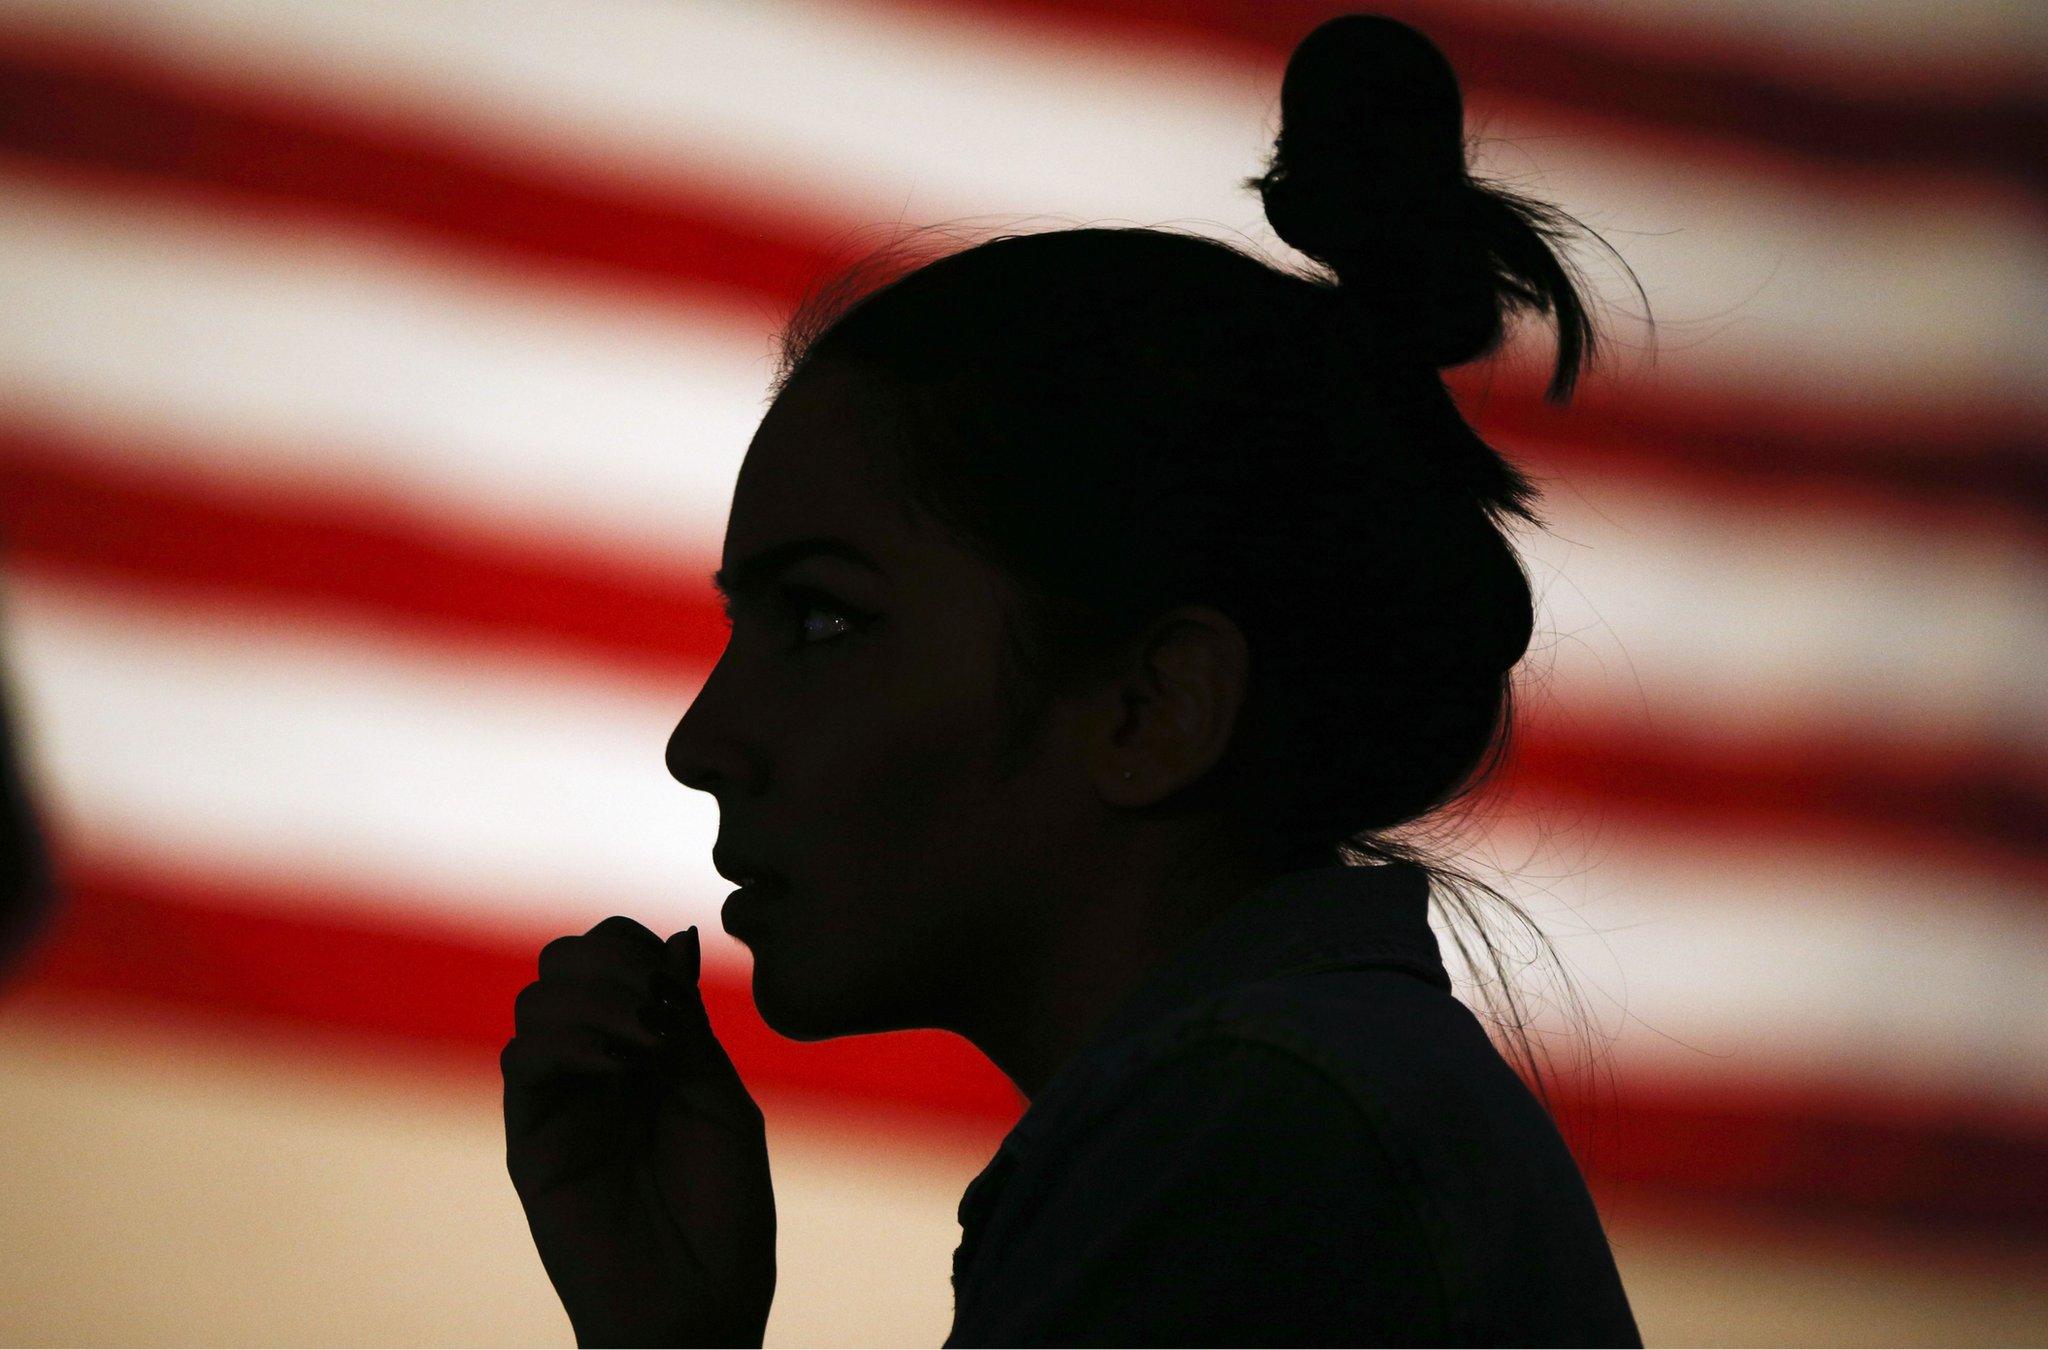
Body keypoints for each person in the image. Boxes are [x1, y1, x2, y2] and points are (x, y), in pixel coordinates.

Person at [502, 11, 1652, 1346]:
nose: (702, 742)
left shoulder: (1243, 1147)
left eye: (819, 620)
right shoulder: (1271, 1112)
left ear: (1152, 706)